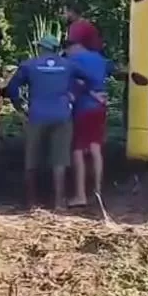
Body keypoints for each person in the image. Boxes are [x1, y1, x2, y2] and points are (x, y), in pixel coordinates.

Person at [5, 35, 84, 210]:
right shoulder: (69, 65)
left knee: (32, 159)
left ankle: (32, 202)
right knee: (60, 159)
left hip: (37, 115)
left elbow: (12, 88)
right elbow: (86, 81)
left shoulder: (29, 65)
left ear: (41, 48)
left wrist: (20, 107)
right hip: (62, 115)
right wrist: (73, 96)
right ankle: (58, 202)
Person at [65, 40, 114, 207]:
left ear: (74, 47)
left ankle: (80, 195)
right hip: (100, 108)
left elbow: (80, 83)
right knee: (95, 148)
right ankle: (98, 191)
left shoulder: (74, 60)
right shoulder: (100, 59)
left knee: (78, 150)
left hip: (84, 108)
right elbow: (113, 70)